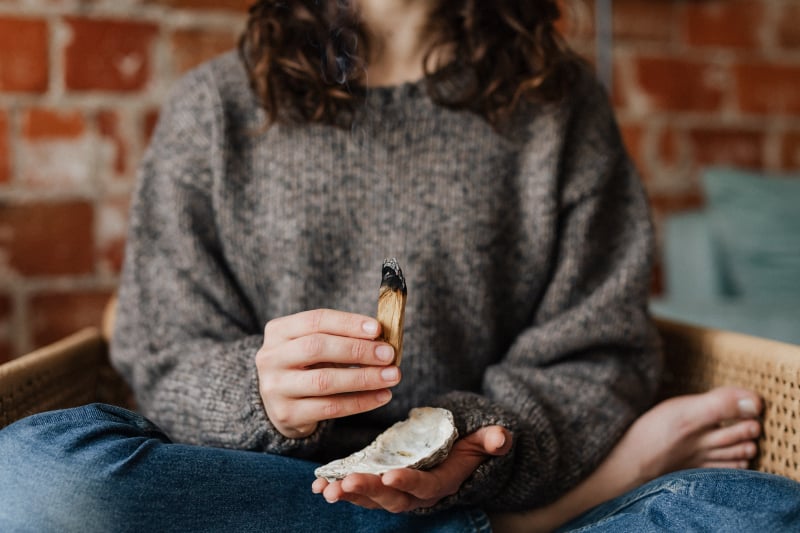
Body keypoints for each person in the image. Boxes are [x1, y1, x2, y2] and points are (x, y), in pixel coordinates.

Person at [1, 1, 799, 531]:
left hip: (488, 471)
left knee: (761, 513)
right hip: (250, 497)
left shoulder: (561, 107)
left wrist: (470, 451)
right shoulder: (215, 110)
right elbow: (161, 348)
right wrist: (260, 394)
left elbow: (597, 354)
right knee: (29, 474)